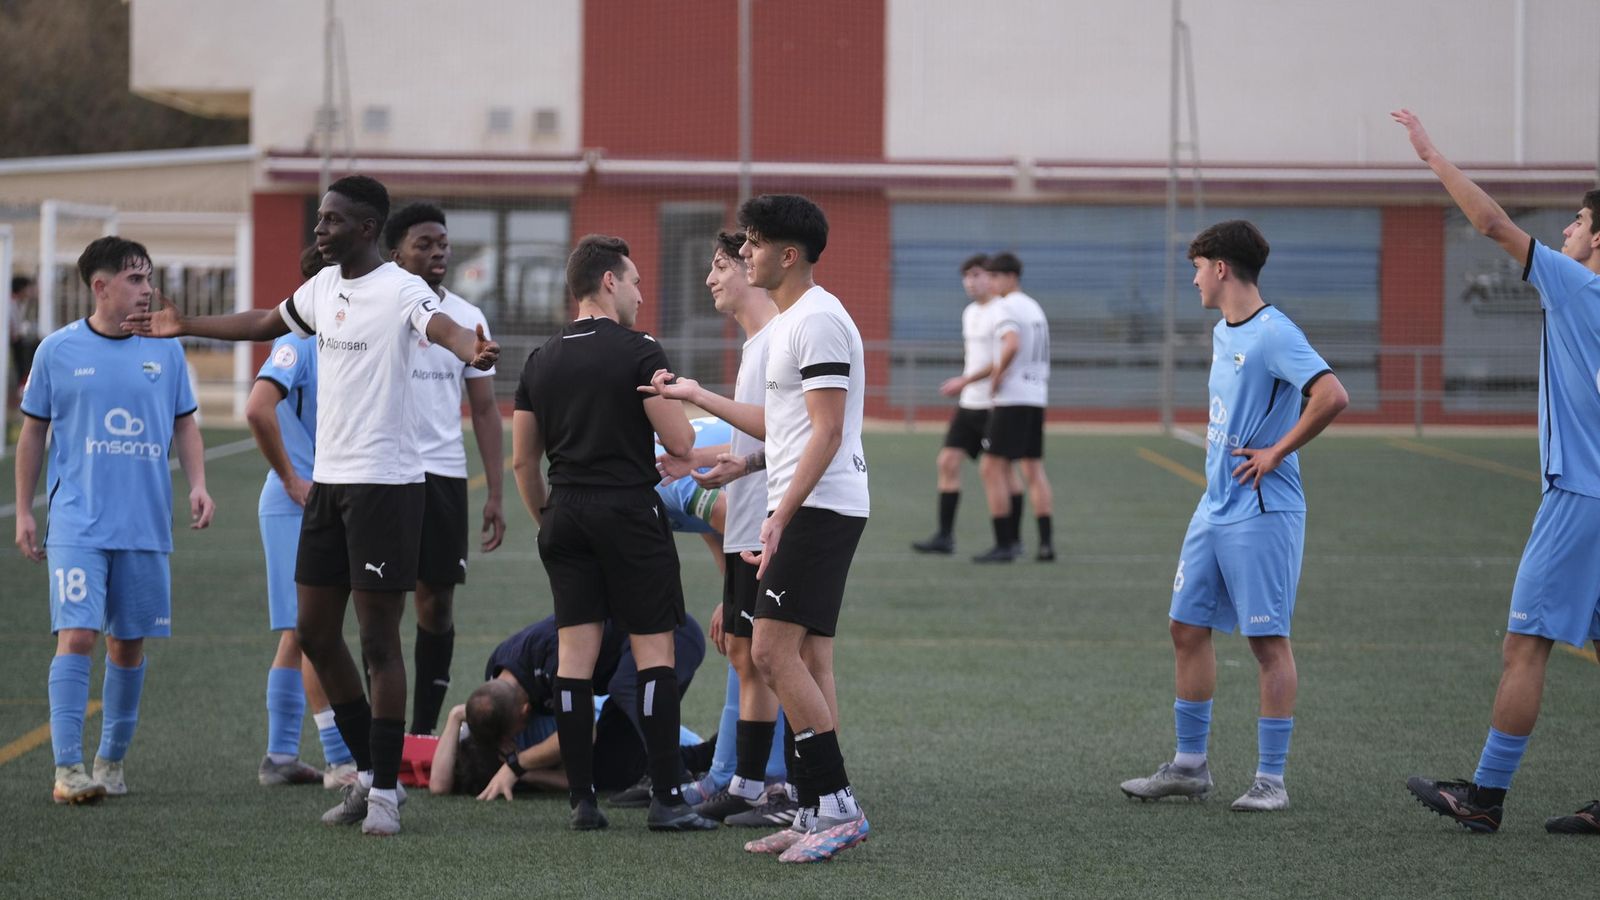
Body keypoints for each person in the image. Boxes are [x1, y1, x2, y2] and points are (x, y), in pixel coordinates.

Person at [122, 174, 499, 837]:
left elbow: (439, 327)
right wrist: (185, 327)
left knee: (379, 641)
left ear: (364, 229)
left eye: (330, 221)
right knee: (315, 632)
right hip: (329, 484)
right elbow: (267, 320)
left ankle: (384, 793)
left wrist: (473, 346)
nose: (318, 230)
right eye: (318, 219)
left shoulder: (400, 286)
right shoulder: (324, 288)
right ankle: (368, 774)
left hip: (389, 487)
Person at [644, 195, 871, 863]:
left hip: (820, 508)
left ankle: (835, 806)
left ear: (788, 254)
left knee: (770, 654)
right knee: (806, 659)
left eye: (753, 244)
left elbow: (828, 433)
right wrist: (738, 459)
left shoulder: (819, 321)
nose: (743, 254)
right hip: (813, 503)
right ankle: (812, 807)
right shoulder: (792, 322)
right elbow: (787, 429)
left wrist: (780, 513)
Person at [1394, 109, 1600, 836]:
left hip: (1581, 498)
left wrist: (1433, 157)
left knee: (1526, 643)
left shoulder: (1580, 289)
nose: (1567, 232)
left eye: (1577, 222)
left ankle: (1484, 797)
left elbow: (1490, 225)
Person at [1119, 219, 1348, 813]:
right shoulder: (1225, 329)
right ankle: (1190, 767)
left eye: (1197, 267)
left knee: (1267, 642)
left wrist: (1278, 450)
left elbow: (1331, 394)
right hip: (1214, 505)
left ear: (1221, 268)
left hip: (1263, 508)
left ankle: (1271, 780)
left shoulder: (1275, 332)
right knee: (1185, 627)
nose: (1193, 278)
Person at [510, 233, 716, 832]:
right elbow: (679, 442)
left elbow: (525, 461)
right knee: (656, 651)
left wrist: (548, 521)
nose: (640, 294)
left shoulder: (540, 358)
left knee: (575, 658)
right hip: (628, 512)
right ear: (607, 283)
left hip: (566, 511)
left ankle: (583, 803)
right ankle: (669, 800)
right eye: (635, 282)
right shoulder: (639, 350)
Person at [14, 236, 215, 804]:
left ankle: (112, 759)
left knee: (127, 645)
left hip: (145, 525)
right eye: (134, 279)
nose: (147, 289)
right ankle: (68, 768)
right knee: (76, 635)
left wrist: (198, 484)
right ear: (100, 286)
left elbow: (186, 424)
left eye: (149, 278)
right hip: (78, 522)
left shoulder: (167, 351)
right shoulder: (56, 350)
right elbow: (33, 431)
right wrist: (25, 511)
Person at [654, 232, 793, 825]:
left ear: (753, 265)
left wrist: (697, 396)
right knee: (744, 652)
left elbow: (793, 430)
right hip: (745, 522)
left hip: (771, 523)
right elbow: (754, 444)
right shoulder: (754, 343)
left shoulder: (781, 338)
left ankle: (788, 785)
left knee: (778, 656)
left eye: (719, 266)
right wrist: (704, 464)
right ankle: (747, 782)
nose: (711, 278)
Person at [385, 202, 507, 736]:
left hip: (442, 475)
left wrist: (496, 494)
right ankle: (380, 731)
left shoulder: (469, 317)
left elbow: (484, 410)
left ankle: (422, 732)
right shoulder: (377, 310)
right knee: (382, 604)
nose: (439, 251)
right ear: (395, 254)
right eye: (425, 243)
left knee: (436, 603)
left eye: (443, 242)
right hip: (383, 473)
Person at [242, 244, 358, 789]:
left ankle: (281, 756)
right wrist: (291, 477)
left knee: (300, 632)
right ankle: (339, 757)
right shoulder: (297, 344)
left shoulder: (340, 344)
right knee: (312, 630)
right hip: (297, 504)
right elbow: (257, 408)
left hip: (327, 501)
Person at [426, 614, 706, 799]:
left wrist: (518, 765)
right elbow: (438, 786)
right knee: (610, 771)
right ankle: (706, 758)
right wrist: (456, 715)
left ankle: (675, 774)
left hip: (667, 634)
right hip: (629, 658)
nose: (510, 741)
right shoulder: (497, 677)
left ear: (525, 712)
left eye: (510, 734)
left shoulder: (551, 663)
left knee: (625, 688)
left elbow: (582, 733)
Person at [913, 254, 1012, 555]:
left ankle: (1009, 541)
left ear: (991, 277)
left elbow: (1001, 359)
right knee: (948, 461)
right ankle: (945, 537)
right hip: (969, 404)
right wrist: (967, 385)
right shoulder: (970, 312)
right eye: (967, 276)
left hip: (994, 405)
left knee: (1002, 473)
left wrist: (964, 380)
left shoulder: (1002, 311)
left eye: (977, 274)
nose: (971, 281)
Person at [973, 252, 1056, 563]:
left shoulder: (1005, 306)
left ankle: (1004, 543)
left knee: (990, 466)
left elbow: (1012, 343)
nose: (990, 283)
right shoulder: (1033, 306)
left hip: (1013, 397)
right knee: (1032, 468)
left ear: (1010, 277)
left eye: (995, 277)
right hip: (1036, 395)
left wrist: (996, 377)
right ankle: (1045, 543)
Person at [10, 274, 40, 403]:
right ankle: (23, 384)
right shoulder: (9, 303)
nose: (30, 292)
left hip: (16, 339)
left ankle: (24, 382)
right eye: (28, 288)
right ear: (21, 289)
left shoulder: (19, 303)